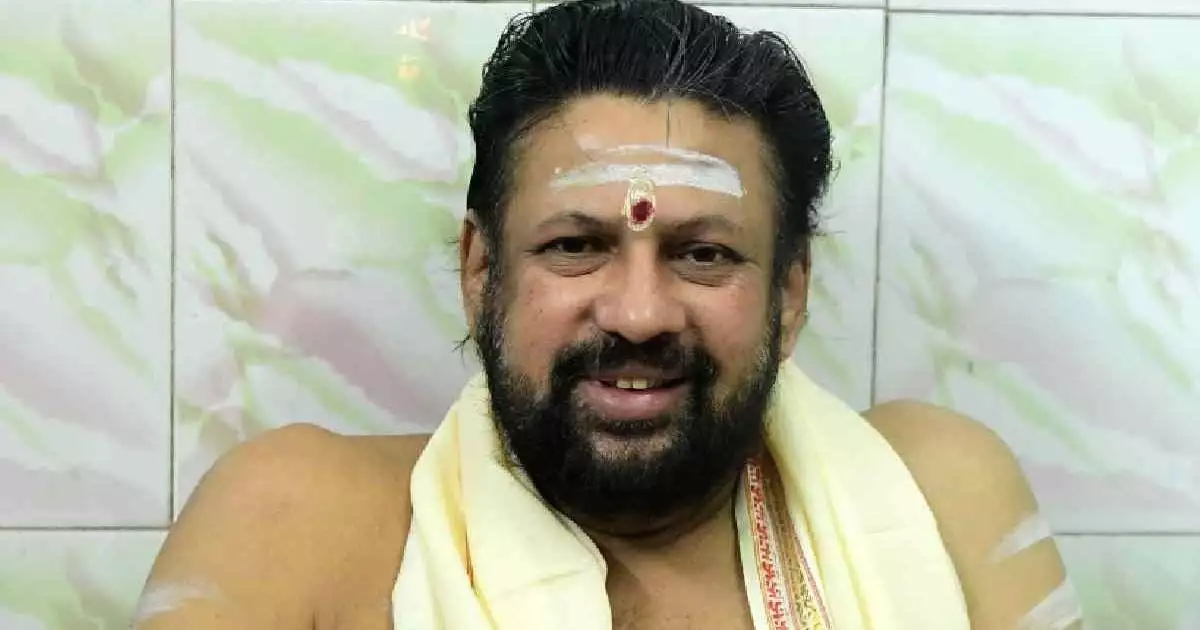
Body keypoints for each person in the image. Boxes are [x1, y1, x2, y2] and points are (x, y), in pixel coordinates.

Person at [135, 1, 1080, 628]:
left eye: (703, 253)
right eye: (575, 245)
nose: (638, 313)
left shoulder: (938, 497)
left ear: (790, 293)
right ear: (480, 270)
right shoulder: (302, 523)